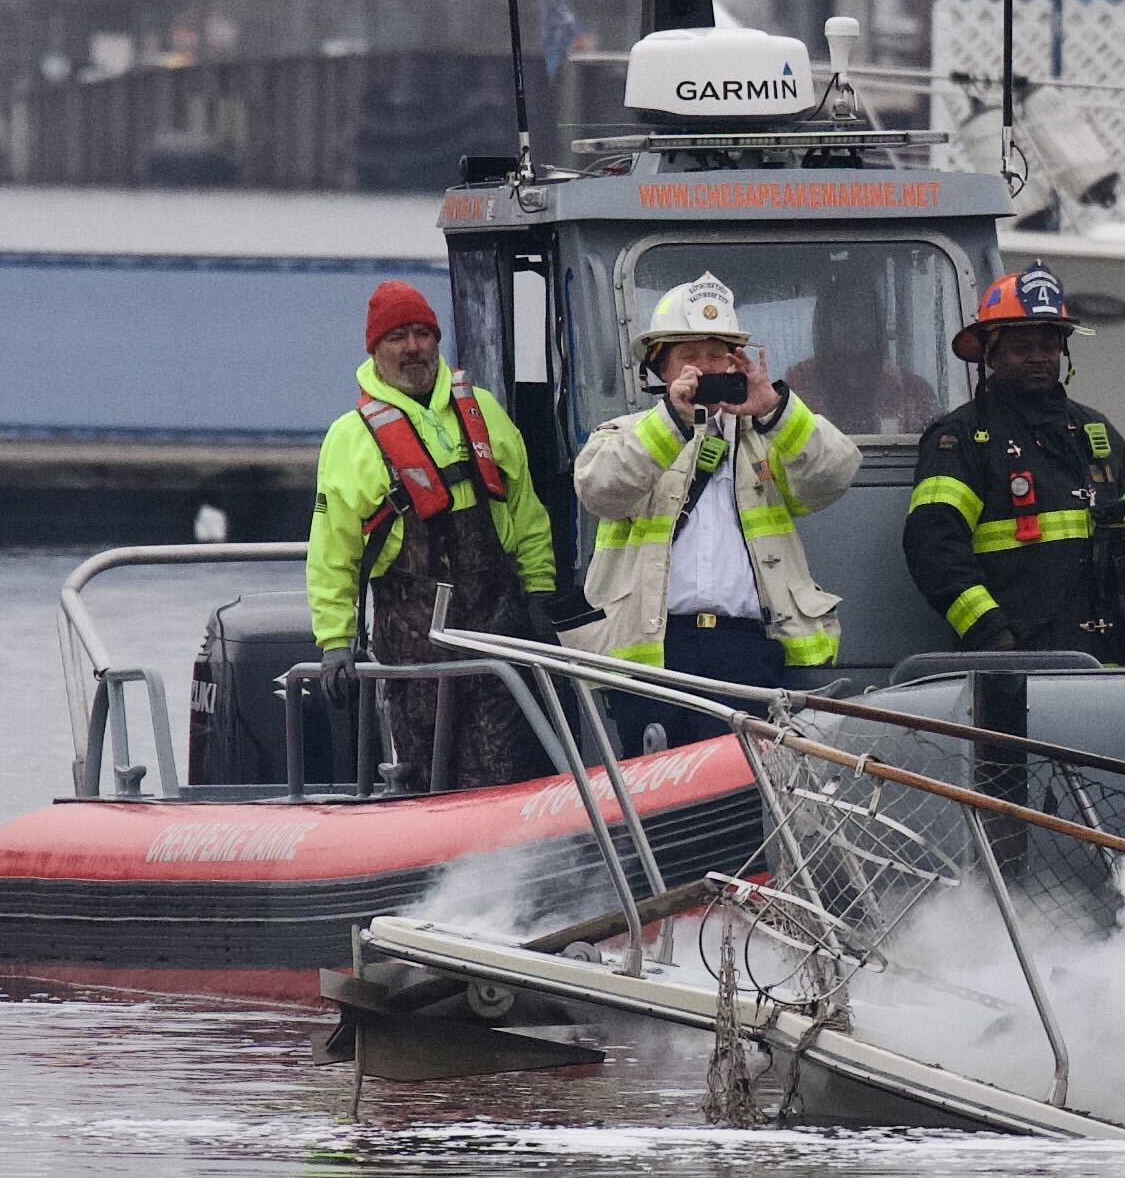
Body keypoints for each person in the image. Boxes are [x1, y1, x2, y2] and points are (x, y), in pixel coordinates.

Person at [569, 273, 862, 743]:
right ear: (660, 370)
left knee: (745, 796)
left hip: (745, 650)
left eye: (716, 356)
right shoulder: (625, 433)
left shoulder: (769, 436)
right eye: (688, 357)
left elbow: (836, 474)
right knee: (656, 802)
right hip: (653, 654)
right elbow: (600, 490)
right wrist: (674, 421)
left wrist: (775, 409)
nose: (703, 369)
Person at [305, 279, 557, 791]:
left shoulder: (483, 410)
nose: (414, 347)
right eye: (398, 337)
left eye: (423, 333)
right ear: (375, 350)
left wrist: (541, 594)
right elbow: (333, 551)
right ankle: (436, 862)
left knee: (511, 764)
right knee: (426, 771)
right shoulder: (349, 438)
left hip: (497, 621)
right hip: (412, 635)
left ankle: (521, 859)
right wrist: (335, 641)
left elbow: (526, 512)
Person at [907, 264, 1125, 665]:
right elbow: (934, 547)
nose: (1038, 358)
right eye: (1021, 347)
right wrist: (990, 633)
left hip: (1112, 666)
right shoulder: (960, 439)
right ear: (991, 353)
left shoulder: (1095, 433)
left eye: (1047, 346)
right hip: (1016, 671)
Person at [781, 263, 940, 434]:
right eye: (844, 315)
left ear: (878, 323)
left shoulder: (912, 391)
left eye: (865, 314)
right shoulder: (797, 389)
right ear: (825, 325)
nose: (856, 325)